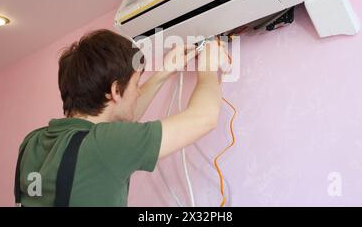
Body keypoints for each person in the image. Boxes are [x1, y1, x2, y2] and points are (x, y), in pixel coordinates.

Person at [15, 29, 228, 206]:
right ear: (116, 90)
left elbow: (120, 116)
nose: (137, 92)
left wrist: (163, 72)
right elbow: (204, 117)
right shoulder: (104, 144)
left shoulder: (33, 141)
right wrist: (208, 67)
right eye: (136, 84)